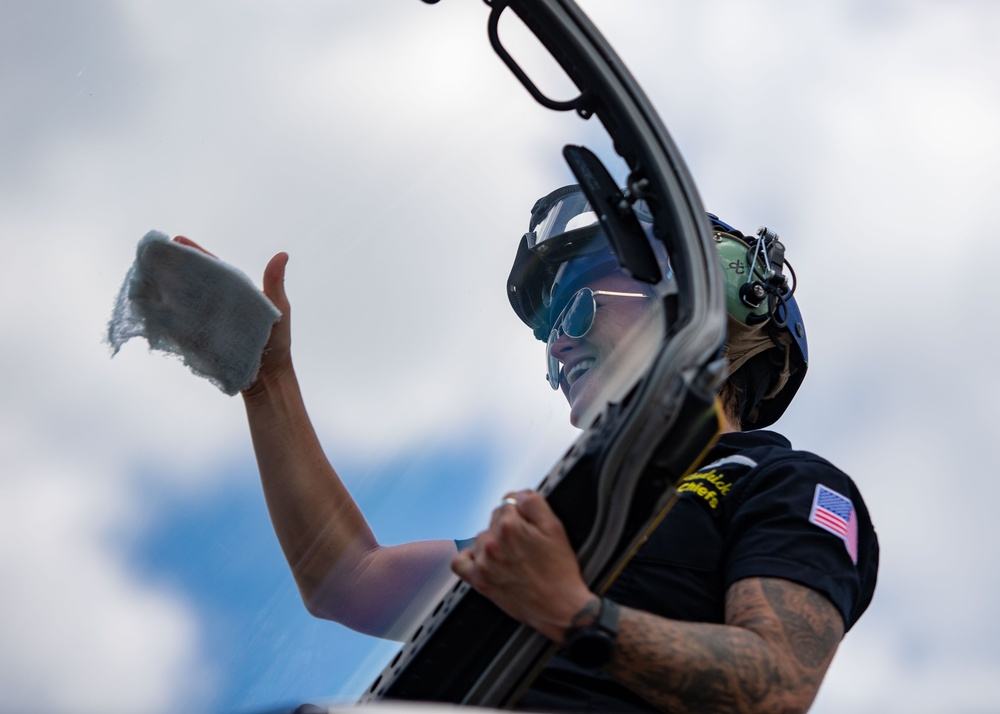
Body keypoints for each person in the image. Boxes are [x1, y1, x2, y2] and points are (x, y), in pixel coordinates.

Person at [177, 185, 878, 713]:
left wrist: (576, 613)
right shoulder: (580, 512)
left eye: (578, 309)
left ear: (693, 300)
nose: (559, 346)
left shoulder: (782, 483)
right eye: (548, 343)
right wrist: (267, 381)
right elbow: (346, 580)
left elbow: (776, 684)